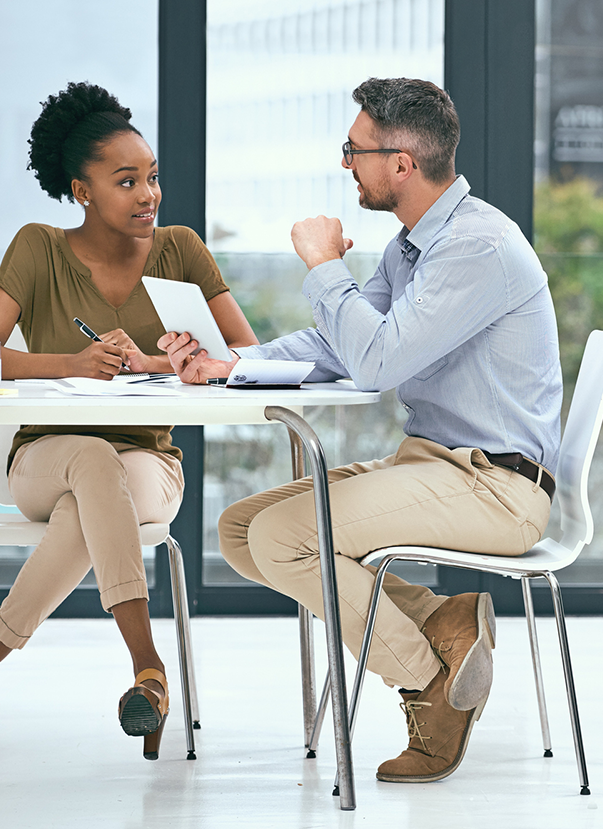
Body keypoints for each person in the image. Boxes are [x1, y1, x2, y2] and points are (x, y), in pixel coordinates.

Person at [161, 77, 562, 783]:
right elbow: (336, 345)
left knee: (286, 538)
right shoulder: (413, 248)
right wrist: (232, 365)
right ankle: (444, 623)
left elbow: (377, 362)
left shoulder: (476, 248)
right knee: (242, 531)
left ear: (400, 163)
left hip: (496, 487)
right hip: (436, 466)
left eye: (355, 149)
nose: (346, 163)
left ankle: (427, 682)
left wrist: (323, 266)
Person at [0, 81, 257, 761]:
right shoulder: (37, 247)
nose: (149, 194)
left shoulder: (181, 249)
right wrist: (74, 362)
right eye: (127, 181)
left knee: (95, 492)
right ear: (82, 190)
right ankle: (148, 668)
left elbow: (246, 355)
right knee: (90, 461)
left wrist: (163, 365)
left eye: (152, 177)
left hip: (150, 466)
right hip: (43, 458)